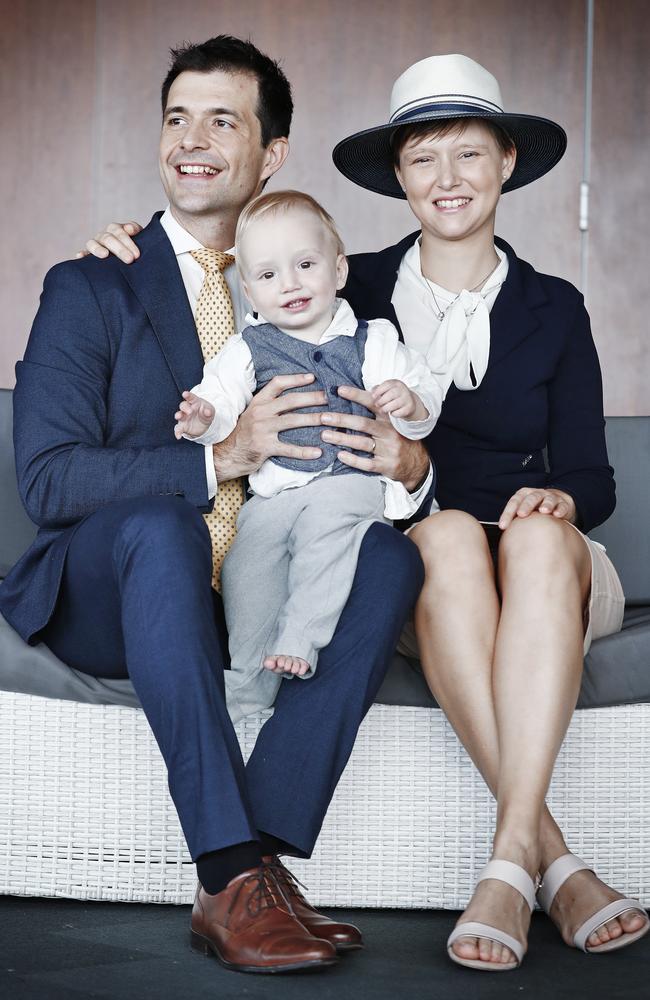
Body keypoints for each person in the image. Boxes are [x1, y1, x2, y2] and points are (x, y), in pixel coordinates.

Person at [0, 36, 429, 975]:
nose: (190, 139)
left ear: (272, 153)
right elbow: (47, 481)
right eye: (175, 118)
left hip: (261, 579)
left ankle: (259, 861)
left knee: (392, 557)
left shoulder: (315, 282)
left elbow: (400, 420)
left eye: (222, 119)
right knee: (161, 522)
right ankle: (230, 871)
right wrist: (222, 455)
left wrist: (411, 458)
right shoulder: (92, 281)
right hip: (114, 585)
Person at [331, 53, 648, 970]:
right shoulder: (347, 293)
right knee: (446, 533)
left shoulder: (557, 307)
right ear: (398, 176)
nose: (448, 180)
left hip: (546, 571)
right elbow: (243, 299)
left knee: (541, 534)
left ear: (507, 162)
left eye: (468, 154)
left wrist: (562, 498)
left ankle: (509, 861)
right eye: (424, 158)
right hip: (426, 571)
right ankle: (549, 861)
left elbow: (595, 478)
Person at [174, 189, 441, 718]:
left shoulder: (374, 339)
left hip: (349, 480)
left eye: (304, 264)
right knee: (246, 567)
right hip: (273, 493)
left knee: (327, 538)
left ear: (338, 269)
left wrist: (408, 403)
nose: (290, 284)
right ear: (249, 291)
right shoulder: (247, 348)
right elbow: (222, 404)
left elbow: (424, 399)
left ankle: (302, 636)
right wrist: (204, 419)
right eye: (269, 276)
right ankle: (249, 675)